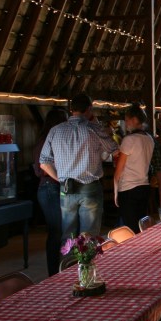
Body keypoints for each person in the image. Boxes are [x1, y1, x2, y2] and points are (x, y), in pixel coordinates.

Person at [39, 93, 118, 241]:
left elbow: (43, 162)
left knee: (67, 237)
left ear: (71, 109)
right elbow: (115, 149)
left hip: (66, 188)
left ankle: (69, 264)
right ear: (89, 109)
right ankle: (87, 264)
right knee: (89, 236)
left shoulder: (55, 130)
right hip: (90, 188)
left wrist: (60, 179)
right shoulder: (94, 129)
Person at [32, 107, 68, 276]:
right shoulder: (46, 140)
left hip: (53, 187)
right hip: (48, 188)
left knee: (59, 231)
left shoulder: (50, 138)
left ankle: (58, 270)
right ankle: (53, 273)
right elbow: (43, 168)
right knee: (56, 231)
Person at [113, 104, 155, 233]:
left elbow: (119, 170)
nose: (125, 123)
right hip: (144, 186)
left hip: (128, 188)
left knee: (130, 228)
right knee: (141, 226)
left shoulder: (129, 140)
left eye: (126, 120)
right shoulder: (150, 139)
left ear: (134, 120)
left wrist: (115, 192)